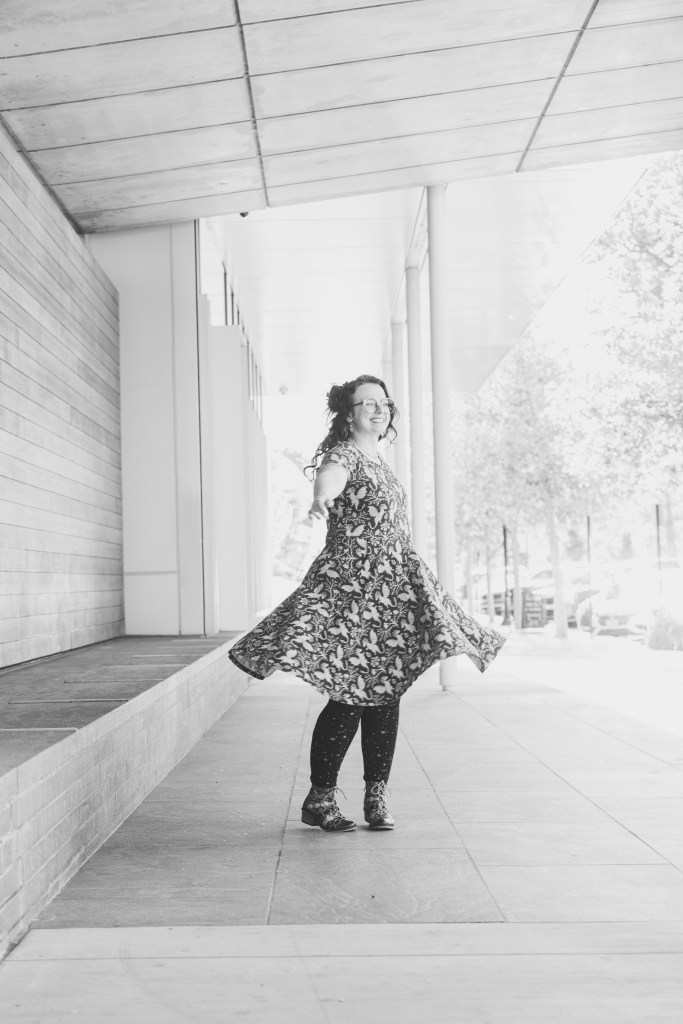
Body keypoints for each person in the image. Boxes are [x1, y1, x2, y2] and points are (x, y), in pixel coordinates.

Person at [228, 374, 506, 832]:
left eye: (383, 403)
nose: (379, 409)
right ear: (349, 412)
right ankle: (320, 798)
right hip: (353, 592)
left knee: (386, 693)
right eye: (367, 403)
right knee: (350, 696)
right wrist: (321, 499)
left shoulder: (379, 457)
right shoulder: (345, 454)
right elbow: (329, 479)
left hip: (391, 591)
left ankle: (375, 799)